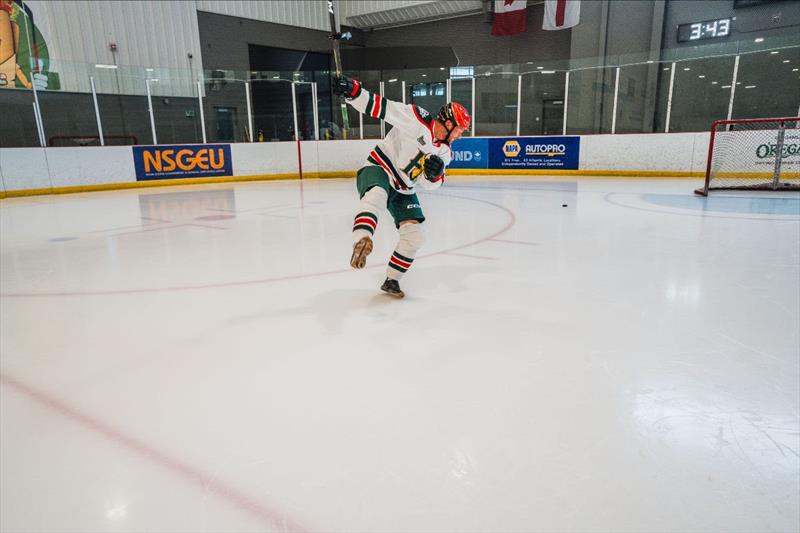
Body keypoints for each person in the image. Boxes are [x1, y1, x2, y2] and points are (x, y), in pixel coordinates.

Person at [332, 75, 471, 298]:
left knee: (416, 236)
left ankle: (391, 280)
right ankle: (362, 239)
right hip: (380, 167)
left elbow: (430, 185)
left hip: (404, 188)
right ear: (447, 122)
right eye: (458, 130)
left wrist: (433, 176)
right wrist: (354, 92)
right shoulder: (416, 119)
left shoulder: (445, 152)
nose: (458, 135)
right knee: (376, 195)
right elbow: (381, 107)